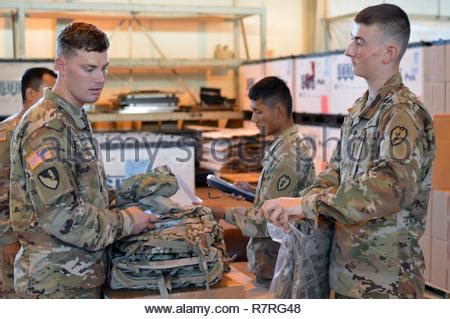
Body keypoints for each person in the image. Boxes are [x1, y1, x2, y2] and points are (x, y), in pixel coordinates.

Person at [261, 4, 435, 299]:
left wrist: (305, 206)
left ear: (388, 53)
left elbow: (390, 188)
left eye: (359, 41)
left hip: (386, 284)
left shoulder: (403, 113)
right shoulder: (359, 111)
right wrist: (300, 204)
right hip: (346, 275)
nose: (348, 51)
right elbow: (336, 172)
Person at [9, 22, 156, 299]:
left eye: (104, 68)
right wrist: (127, 221)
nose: (100, 78)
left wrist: (129, 198)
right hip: (55, 286)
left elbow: (84, 195)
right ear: (61, 66)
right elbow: (60, 215)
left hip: (78, 277)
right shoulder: (47, 127)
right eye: (89, 69)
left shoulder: (72, 118)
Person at [202, 76, 315, 287]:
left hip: (281, 263)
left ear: (279, 111)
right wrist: (253, 192)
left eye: (259, 111)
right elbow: (284, 200)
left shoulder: (288, 156)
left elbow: (268, 221)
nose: (253, 119)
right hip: (274, 260)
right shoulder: (282, 146)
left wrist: (222, 212)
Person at [0, 67, 57, 298]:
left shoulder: (44, 131)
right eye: (49, 91)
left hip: (39, 239)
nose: (54, 98)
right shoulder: (7, 134)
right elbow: (2, 190)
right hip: (14, 240)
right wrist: (7, 239)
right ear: (31, 93)